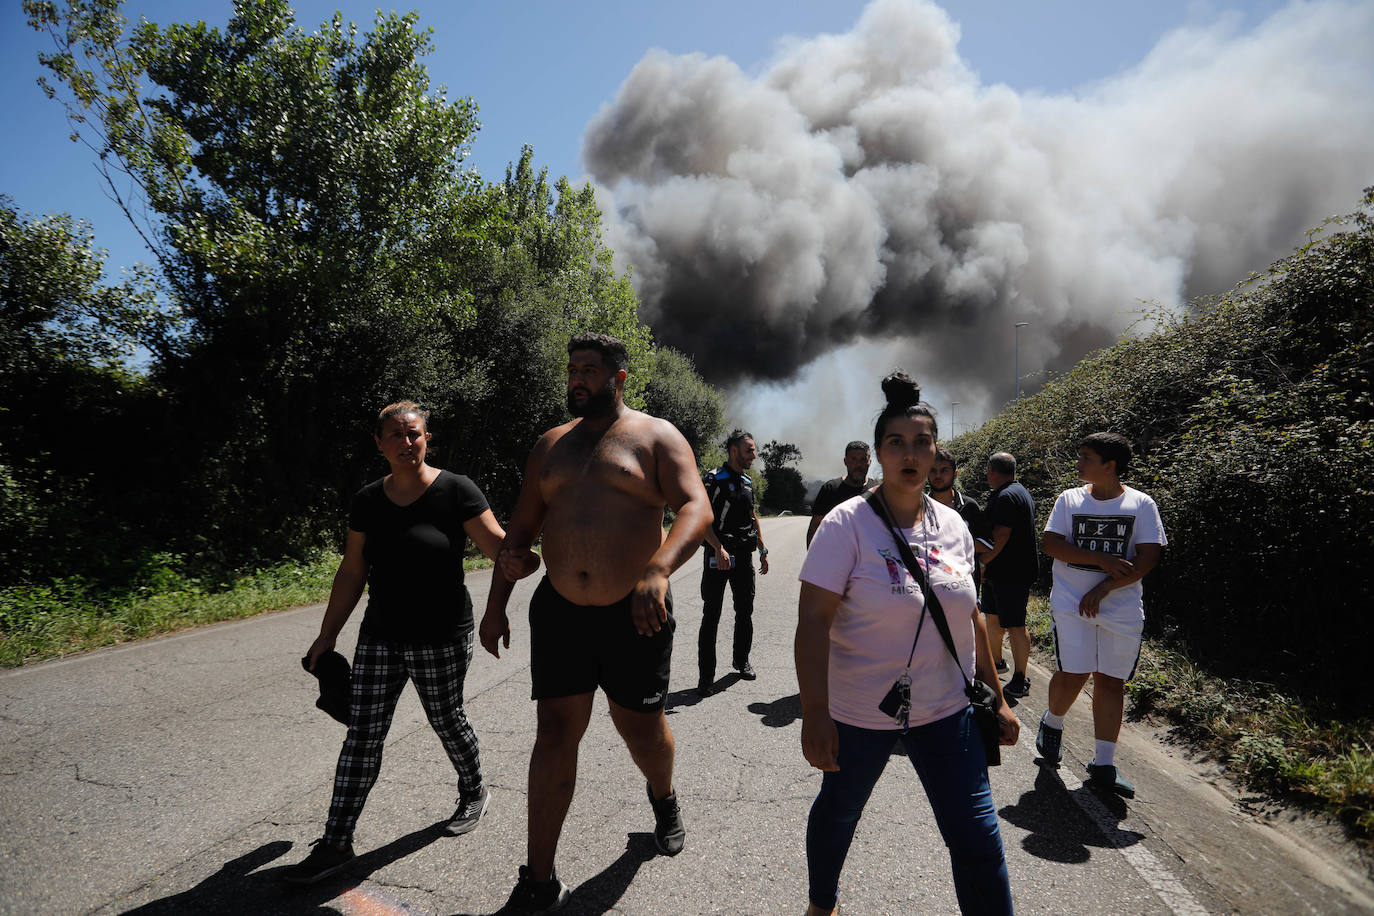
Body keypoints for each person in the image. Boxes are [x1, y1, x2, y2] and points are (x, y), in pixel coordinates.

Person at [479, 332, 713, 914]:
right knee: (555, 733)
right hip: (559, 611)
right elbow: (522, 527)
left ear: (619, 377)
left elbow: (696, 506)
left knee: (641, 730)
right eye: (572, 370)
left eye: (589, 369)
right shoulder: (549, 446)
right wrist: (496, 598)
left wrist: (658, 570)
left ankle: (663, 796)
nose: (577, 379)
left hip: (636, 610)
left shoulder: (657, 436)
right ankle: (538, 878)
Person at [796, 372, 1018, 916]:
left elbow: (969, 621)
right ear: (877, 454)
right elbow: (811, 626)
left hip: (947, 711)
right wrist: (815, 715)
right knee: (840, 811)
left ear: (937, 451)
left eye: (922, 442)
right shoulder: (846, 525)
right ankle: (822, 903)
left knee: (979, 839)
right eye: (896, 443)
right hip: (859, 713)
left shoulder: (955, 527)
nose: (910, 454)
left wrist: (1000, 696)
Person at [284, 401, 528, 885]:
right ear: (379, 444)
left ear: (427, 437)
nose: (405, 442)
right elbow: (353, 571)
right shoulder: (367, 501)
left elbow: (499, 547)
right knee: (363, 735)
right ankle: (336, 842)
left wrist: (526, 557)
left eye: (413, 433)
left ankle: (474, 789)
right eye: (394, 435)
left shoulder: (457, 491)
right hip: (381, 635)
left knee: (445, 718)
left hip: (441, 635)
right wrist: (326, 636)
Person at [1036, 433, 1166, 799]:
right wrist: (1102, 560)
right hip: (1070, 603)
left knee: (1111, 680)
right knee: (1074, 672)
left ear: (1109, 465)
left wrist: (1104, 587)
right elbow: (1051, 544)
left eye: (1086, 457)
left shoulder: (1141, 504)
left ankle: (1104, 764)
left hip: (1120, 606)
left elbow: (1148, 556)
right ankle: (1052, 722)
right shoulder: (1069, 499)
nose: (1078, 463)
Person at [698, 429, 769, 695]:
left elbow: (753, 516)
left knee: (745, 611)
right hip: (718, 557)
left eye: (754, 449)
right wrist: (718, 548)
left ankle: (742, 661)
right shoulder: (714, 479)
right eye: (749, 450)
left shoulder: (748, 482)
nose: (754, 455)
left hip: (744, 558)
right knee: (711, 616)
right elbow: (701, 518)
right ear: (734, 451)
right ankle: (706, 678)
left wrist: (762, 549)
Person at [977, 452, 1038, 696]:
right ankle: (997, 662)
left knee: (1014, 624)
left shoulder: (1006, 497)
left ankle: (1021, 678)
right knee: (992, 616)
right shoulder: (1016, 491)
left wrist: (982, 562)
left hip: (1013, 573)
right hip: (999, 572)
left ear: (992, 470)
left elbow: (1000, 537)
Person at [929, 447, 987, 603]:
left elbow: (986, 542)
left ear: (955, 474)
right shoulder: (917, 507)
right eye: (933, 470)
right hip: (929, 590)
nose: (938, 475)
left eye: (944, 471)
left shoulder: (969, 506)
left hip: (963, 588)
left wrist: (954, 545)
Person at [806, 441, 874, 547]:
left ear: (869, 462)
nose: (858, 465)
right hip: (835, 558)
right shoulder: (830, 489)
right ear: (845, 461)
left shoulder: (877, 491)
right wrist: (813, 561)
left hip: (869, 560)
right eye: (853, 459)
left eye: (863, 460)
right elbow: (815, 528)